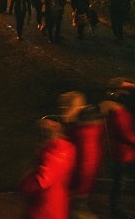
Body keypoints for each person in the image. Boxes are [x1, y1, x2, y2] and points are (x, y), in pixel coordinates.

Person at [100, 79, 135, 219]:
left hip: (126, 151)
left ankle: (128, 207)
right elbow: (125, 134)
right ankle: (117, 209)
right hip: (124, 152)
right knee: (121, 183)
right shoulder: (119, 111)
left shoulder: (120, 109)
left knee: (125, 181)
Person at [20, 115, 76, 219]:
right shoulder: (55, 148)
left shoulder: (58, 150)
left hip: (46, 209)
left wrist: (25, 183)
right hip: (45, 204)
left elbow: (42, 180)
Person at [59, 91, 104, 219]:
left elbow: (88, 162)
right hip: (74, 184)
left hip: (77, 187)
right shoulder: (76, 128)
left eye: (66, 107)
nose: (63, 111)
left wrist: (79, 189)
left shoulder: (84, 131)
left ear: (78, 108)